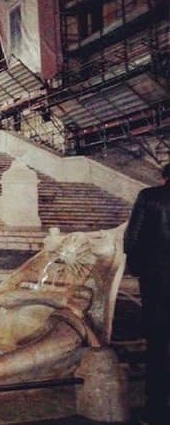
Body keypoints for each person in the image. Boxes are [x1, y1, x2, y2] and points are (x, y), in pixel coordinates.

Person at [124, 163, 170, 425]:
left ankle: (157, 410)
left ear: (164, 177)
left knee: (157, 343)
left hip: (158, 280)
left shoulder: (149, 196)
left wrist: (137, 270)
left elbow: (132, 238)